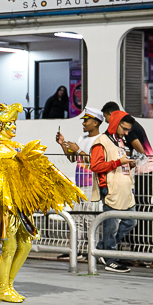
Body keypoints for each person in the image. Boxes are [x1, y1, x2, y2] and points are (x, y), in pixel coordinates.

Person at [0, 103, 84, 303]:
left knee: (25, 244)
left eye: (15, 123)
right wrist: (10, 203)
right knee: (9, 247)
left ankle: (10, 285)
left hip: (21, 208)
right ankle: (3, 289)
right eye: (10, 123)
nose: (14, 127)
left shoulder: (18, 149)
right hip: (6, 209)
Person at [101, 102, 153, 255]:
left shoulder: (128, 128)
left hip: (145, 172)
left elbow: (141, 151)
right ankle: (136, 249)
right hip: (149, 171)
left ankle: (141, 249)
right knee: (140, 212)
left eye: (107, 117)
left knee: (139, 213)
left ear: (113, 115)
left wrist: (129, 160)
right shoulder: (132, 125)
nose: (107, 122)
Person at [90, 111, 137, 273]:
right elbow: (95, 166)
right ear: (115, 124)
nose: (126, 133)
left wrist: (128, 164)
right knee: (111, 227)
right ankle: (110, 258)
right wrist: (118, 162)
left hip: (126, 190)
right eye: (124, 129)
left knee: (131, 221)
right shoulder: (101, 142)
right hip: (111, 190)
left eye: (128, 130)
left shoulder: (120, 141)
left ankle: (103, 249)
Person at [55, 107, 103, 260]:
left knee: (90, 219)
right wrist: (63, 144)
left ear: (95, 123)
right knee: (77, 219)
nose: (83, 123)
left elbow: (97, 162)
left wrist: (78, 150)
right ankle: (76, 250)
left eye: (86, 120)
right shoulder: (82, 138)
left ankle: (91, 250)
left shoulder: (101, 140)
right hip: (79, 184)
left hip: (92, 185)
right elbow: (73, 159)